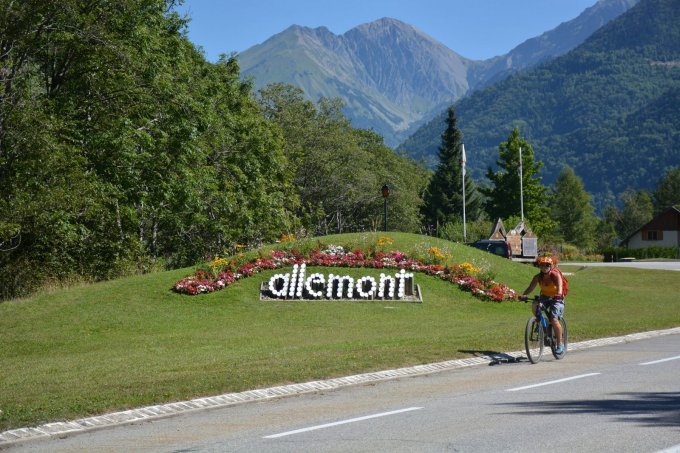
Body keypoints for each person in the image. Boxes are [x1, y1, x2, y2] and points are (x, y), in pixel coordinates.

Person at [519, 256, 565, 354]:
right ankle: (539, 322)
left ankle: (560, 344)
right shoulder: (538, 277)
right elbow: (531, 287)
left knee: (554, 319)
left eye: (547, 265)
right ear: (539, 266)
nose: (545, 267)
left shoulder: (555, 275)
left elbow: (560, 286)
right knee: (535, 304)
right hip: (544, 297)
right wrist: (524, 295)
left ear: (551, 266)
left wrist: (559, 294)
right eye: (542, 265)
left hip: (557, 298)